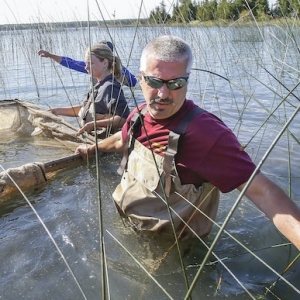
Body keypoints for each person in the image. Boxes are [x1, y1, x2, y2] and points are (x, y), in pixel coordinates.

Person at [75, 35, 300, 250]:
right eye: (154, 81)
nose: (163, 93)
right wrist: (91, 148)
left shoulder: (207, 134)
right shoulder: (137, 116)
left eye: (175, 83)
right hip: (126, 225)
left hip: (169, 248)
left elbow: (264, 193)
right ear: (140, 78)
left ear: (187, 81)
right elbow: (120, 141)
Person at [49, 43, 130, 135]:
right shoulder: (98, 86)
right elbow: (84, 110)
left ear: (105, 63)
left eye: (90, 63)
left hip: (102, 142)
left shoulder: (110, 87)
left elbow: (124, 118)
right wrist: (57, 111)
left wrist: (94, 124)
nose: (86, 67)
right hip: (90, 139)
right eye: (86, 63)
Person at [38, 40, 137, 87]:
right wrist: (50, 55)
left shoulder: (118, 67)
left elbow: (133, 82)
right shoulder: (92, 65)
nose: (87, 67)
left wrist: (118, 76)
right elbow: (71, 63)